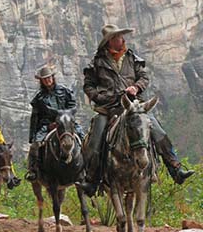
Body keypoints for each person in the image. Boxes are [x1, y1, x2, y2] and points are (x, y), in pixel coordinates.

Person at [77, 24, 194, 196]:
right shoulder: (97, 62)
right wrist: (103, 97)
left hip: (134, 105)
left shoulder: (132, 57)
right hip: (107, 109)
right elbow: (88, 86)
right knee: (95, 141)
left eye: (121, 36)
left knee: (158, 132)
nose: (122, 39)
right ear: (109, 41)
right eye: (117, 37)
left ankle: (175, 168)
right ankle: (92, 181)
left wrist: (136, 88)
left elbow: (144, 77)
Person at [25, 65, 84, 181]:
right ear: (41, 81)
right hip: (47, 126)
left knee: (83, 138)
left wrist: (64, 118)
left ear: (53, 77)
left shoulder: (65, 91)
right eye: (45, 78)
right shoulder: (39, 98)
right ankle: (33, 170)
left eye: (49, 77)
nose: (48, 80)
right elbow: (35, 117)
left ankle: (86, 168)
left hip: (66, 123)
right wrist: (33, 137)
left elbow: (72, 106)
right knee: (35, 146)